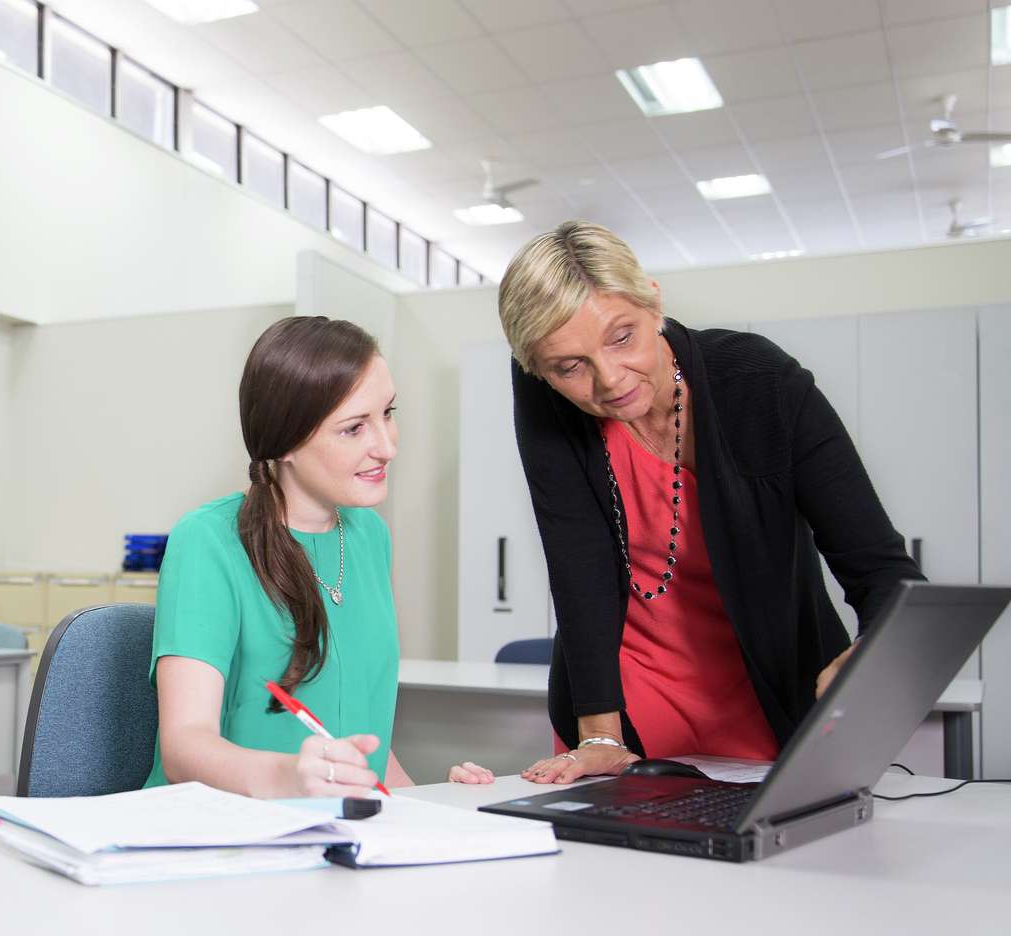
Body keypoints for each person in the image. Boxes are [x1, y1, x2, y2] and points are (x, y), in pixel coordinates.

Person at [497, 221, 920, 784]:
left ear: (654, 302)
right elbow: (577, 562)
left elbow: (881, 568)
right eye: (569, 366)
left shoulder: (760, 381)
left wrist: (875, 651)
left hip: (767, 685)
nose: (608, 379)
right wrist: (599, 732)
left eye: (622, 337)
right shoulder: (544, 392)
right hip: (624, 702)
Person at [148, 315, 491, 797]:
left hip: (331, 832)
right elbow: (184, 747)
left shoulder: (369, 535)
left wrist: (429, 805)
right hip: (221, 833)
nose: (387, 446)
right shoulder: (207, 540)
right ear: (284, 440)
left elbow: (360, 747)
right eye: (354, 429)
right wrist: (287, 778)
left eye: (388, 413)